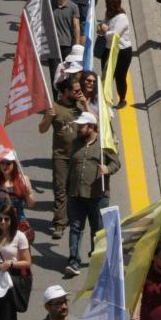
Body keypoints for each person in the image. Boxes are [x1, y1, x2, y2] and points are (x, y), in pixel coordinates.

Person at [65, 112, 121, 276]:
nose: (79, 128)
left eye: (82, 126)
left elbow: (116, 163)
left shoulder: (104, 144)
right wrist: (67, 189)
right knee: (75, 228)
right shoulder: (76, 143)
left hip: (97, 195)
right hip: (76, 194)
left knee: (97, 230)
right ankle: (73, 261)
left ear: (91, 127)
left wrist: (107, 169)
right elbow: (71, 166)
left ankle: (96, 259)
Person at [39, 78, 86, 239]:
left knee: (75, 191)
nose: (79, 93)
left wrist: (86, 106)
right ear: (66, 92)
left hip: (79, 156)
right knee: (60, 190)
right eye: (76, 90)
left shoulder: (81, 107)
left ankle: (75, 219)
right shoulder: (55, 108)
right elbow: (42, 129)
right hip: (61, 157)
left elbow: (95, 124)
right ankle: (59, 223)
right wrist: (48, 117)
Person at [98, 0, 133, 108]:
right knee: (106, 75)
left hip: (122, 51)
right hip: (108, 50)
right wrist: (101, 27)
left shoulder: (122, 18)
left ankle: (122, 98)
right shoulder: (108, 15)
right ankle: (104, 98)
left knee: (120, 76)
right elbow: (103, 24)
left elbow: (114, 35)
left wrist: (105, 30)